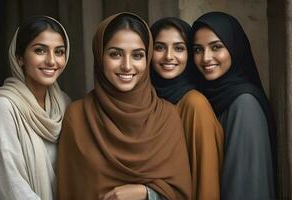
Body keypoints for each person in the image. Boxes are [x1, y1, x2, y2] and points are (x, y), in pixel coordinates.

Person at [57, 13, 192, 200]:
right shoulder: (78, 116)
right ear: (99, 55)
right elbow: (69, 191)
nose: (127, 66)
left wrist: (146, 193)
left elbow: (181, 193)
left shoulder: (167, 116)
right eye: (115, 54)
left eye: (137, 55)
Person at [191, 11, 276, 200]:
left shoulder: (244, 104)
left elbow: (246, 189)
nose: (205, 58)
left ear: (234, 48)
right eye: (198, 49)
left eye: (216, 47)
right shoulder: (208, 95)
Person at [0, 16, 70, 200]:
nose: (51, 61)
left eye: (59, 51)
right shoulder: (2, 107)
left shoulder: (63, 103)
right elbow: (10, 183)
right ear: (19, 58)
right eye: (40, 50)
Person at [150, 17, 223, 200]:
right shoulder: (146, 98)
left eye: (179, 48)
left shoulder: (194, 105)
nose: (168, 56)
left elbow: (207, 183)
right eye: (159, 47)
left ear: (189, 54)